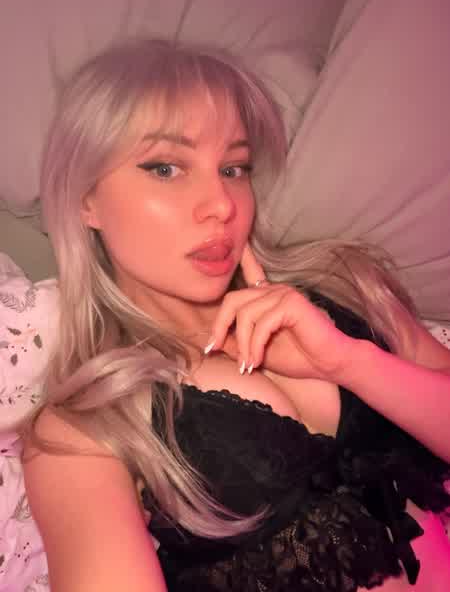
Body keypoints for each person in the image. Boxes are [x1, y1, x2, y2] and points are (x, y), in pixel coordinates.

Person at [21, 38, 450, 592]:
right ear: (86, 199)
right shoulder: (87, 427)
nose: (222, 205)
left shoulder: (343, 279)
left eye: (233, 168)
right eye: (165, 168)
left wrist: (352, 363)